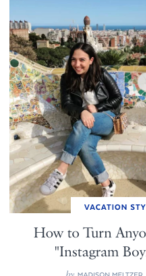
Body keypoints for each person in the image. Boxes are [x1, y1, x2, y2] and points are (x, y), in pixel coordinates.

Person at [40, 43, 122, 197]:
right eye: (73, 60)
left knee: (81, 124)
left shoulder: (102, 74)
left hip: (107, 118)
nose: (77, 64)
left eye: (82, 60)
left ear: (91, 60)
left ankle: (61, 170)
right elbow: (66, 105)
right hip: (86, 124)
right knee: (84, 147)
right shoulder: (67, 78)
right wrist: (82, 111)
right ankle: (108, 184)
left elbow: (117, 98)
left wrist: (97, 108)